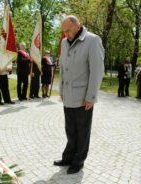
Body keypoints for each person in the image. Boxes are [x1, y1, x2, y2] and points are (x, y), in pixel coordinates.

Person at [55, 15, 104, 174]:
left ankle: (78, 161)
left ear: (78, 26)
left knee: (82, 131)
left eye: (68, 30)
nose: (66, 34)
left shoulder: (93, 40)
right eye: (64, 31)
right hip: (68, 95)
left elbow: (97, 71)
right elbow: (62, 68)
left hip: (83, 98)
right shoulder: (64, 42)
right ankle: (68, 157)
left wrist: (91, 97)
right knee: (70, 130)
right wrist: (61, 89)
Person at [0, 41, 15, 105]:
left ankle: (7, 100)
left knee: (5, 87)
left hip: (5, 73)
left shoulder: (5, 52)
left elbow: (9, 60)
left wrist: (9, 67)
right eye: (0, 44)